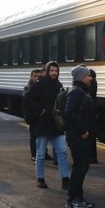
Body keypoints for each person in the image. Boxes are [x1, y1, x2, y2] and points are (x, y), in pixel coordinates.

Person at [23, 61, 70, 189]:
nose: (54, 73)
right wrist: (41, 110)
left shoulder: (59, 85)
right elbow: (28, 99)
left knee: (62, 151)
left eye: (56, 71)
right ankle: (40, 178)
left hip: (55, 125)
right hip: (42, 124)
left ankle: (65, 178)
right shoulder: (40, 84)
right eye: (52, 70)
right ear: (48, 71)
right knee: (41, 154)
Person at [64, 65, 95, 208]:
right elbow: (69, 113)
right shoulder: (76, 92)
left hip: (80, 136)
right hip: (77, 136)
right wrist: (82, 130)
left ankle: (79, 196)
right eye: (88, 75)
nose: (91, 78)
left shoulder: (81, 91)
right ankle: (73, 199)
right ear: (81, 77)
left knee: (82, 167)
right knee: (79, 167)